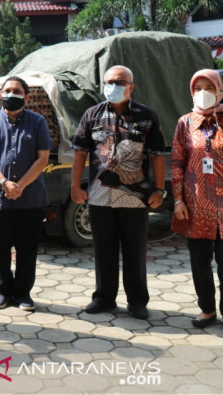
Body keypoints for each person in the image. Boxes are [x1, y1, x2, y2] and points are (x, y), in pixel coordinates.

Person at [71, 65, 166, 320]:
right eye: (110, 81)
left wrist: (160, 189)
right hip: (100, 194)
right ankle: (104, 298)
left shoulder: (146, 116)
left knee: (134, 250)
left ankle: (137, 302)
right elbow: (80, 152)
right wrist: (75, 187)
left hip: (135, 196)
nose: (114, 86)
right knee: (104, 249)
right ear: (103, 85)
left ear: (131, 87)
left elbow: (157, 155)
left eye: (120, 81)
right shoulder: (91, 114)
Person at [171, 69, 223, 338]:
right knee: (200, 261)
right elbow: (177, 162)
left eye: (210, 86)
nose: (204, 92)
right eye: (199, 87)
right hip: (197, 205)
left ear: (220, 90)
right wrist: (177, 200)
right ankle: (206, 310)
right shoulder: (185, 123)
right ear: (192, 91)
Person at [0, 76, 51, 312]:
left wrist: (21, 186)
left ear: (27, 97)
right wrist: (5, 183)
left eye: (17, 91)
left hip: (31, 198)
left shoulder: (38, 122)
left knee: (27, 247)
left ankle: (23, 292)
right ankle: (3, 291)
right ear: (0, 95)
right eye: (7, 90)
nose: (11, 94)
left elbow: (43, 158)